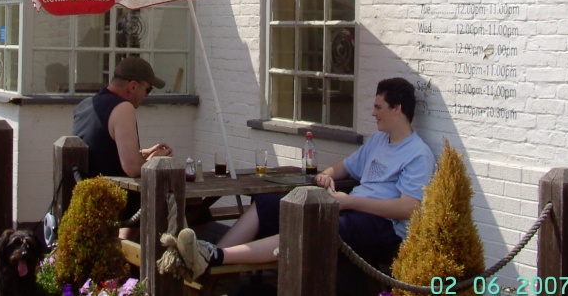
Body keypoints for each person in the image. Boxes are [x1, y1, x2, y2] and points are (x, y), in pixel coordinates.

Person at [174, 77, 435, 280]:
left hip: (382, 228)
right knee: (269, 204)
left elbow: (409, 208)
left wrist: (350, 203)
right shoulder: (378, 141)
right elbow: (344, 167)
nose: (373, 113)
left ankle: (217, 256)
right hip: (348, 210)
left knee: (311, 222)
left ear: (397, 108)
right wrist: (325, 176)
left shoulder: (417, 154)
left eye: (378, 107)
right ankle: (204, 259)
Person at [71, 56, 173, 238]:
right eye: (147, 89)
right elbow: (132, 168)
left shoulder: (84, 106)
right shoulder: (123, 108)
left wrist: (145, 154)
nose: (146, 96)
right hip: (115, 201)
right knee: (188, 208)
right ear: (133, 86)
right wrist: (157, 160)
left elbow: (104, 152)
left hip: (89, 195)